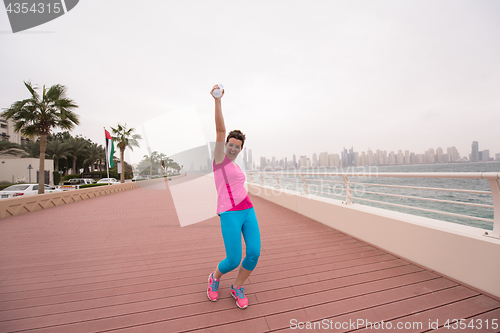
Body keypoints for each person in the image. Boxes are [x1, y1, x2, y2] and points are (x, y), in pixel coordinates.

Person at [207, 84, 261, 309]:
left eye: (237, 146)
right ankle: (215, 278)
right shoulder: (220, 160)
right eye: (230, 144)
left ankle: (237, 286)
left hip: (247, 210)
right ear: (225, 145)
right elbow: (220, 130)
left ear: (241, 149)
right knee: (232, 260)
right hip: (229, 213)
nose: (232, 148)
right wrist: (217, 100)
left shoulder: (237, 167)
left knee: (254, 253)